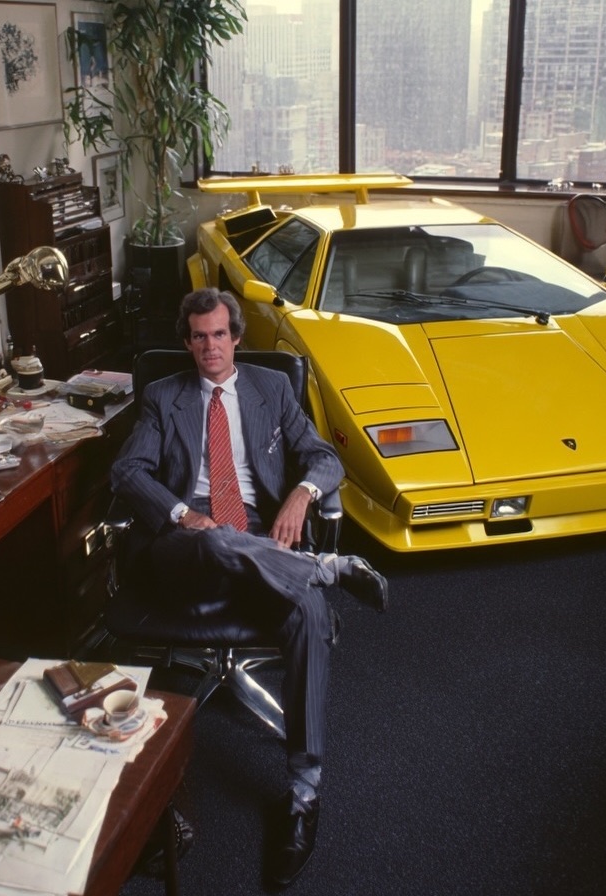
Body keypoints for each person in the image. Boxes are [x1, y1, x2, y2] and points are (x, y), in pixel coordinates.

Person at [111, 287, 389, 888]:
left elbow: (323, 457)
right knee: (212, 537)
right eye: (198, 336)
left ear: (237, 337)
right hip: (188, 546)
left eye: (219, 334)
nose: (209, 347)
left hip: (261, 536)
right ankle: (326, 566)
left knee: (309, 614)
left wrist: (302, 492)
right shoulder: (164, 397)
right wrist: (182, 514)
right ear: (185, 342)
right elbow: (127, 471)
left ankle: (304, 793)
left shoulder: (273, 388)